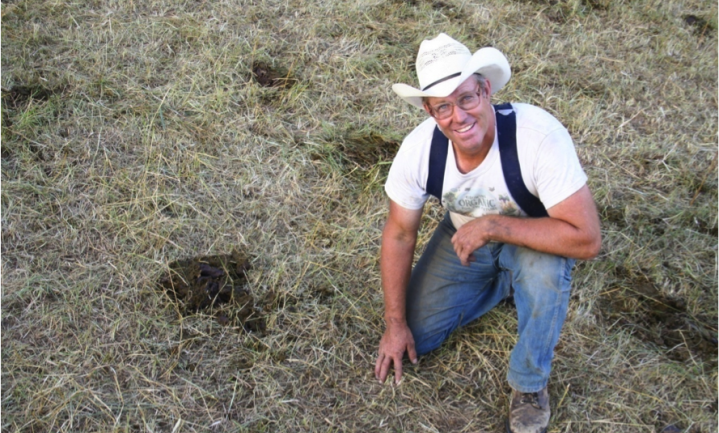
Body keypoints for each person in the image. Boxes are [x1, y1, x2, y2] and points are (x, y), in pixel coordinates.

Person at [374, 33, 601, 433]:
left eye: (466, 98)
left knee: (544, 270)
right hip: (463, 234)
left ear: (486, 89)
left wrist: (494, 226)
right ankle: (502, 285)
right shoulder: (418, 151)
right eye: (443, 106)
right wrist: (395, 324)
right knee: (418, 339)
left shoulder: (538, 137)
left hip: (535, 237)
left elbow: (586, 238)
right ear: (429, 111)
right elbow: (398, 234)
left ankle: (530, 385)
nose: (458, 116)